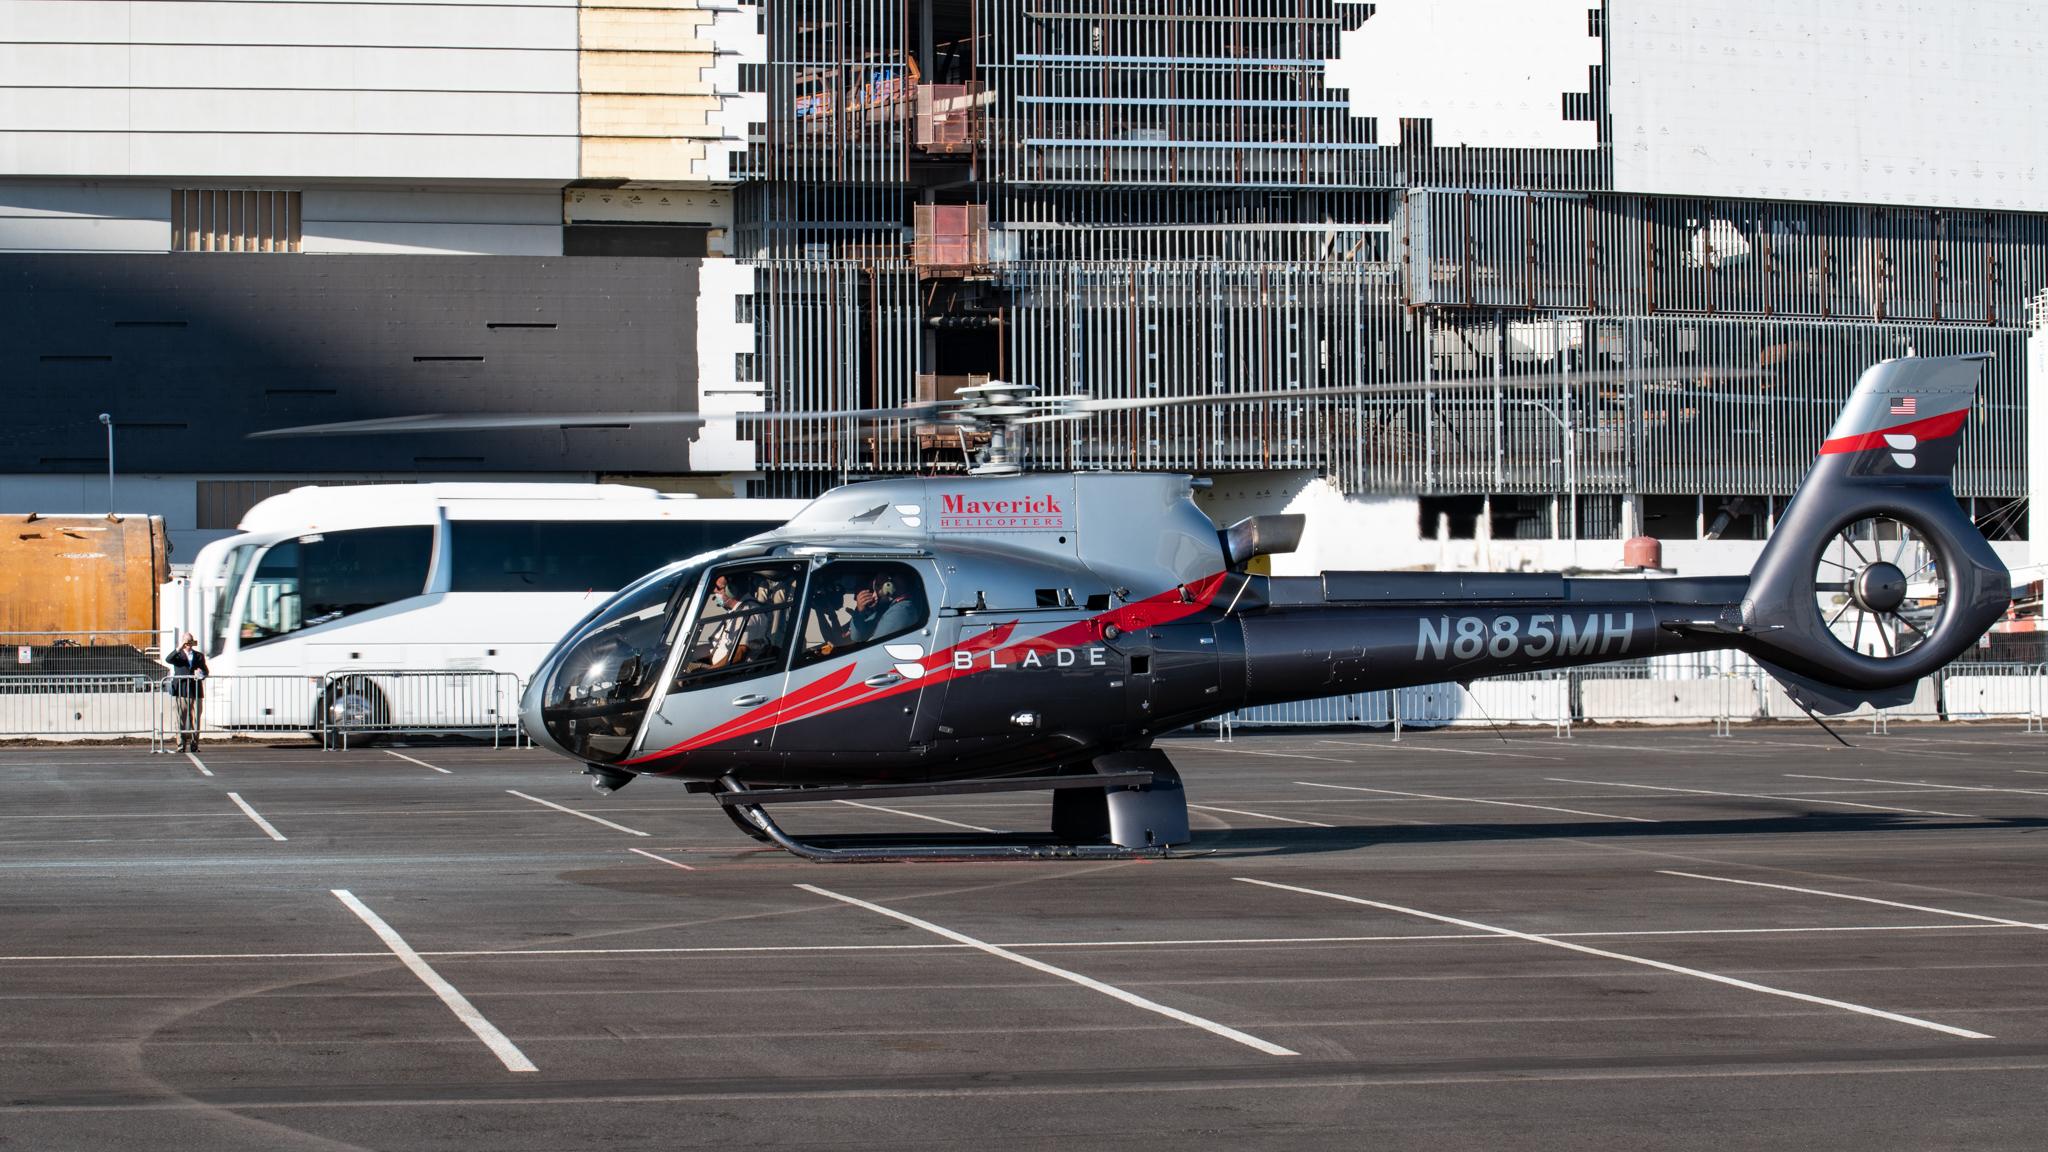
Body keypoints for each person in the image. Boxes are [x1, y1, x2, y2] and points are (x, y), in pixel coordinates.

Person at [163, 633, 209, 752]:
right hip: (181, 690)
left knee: (196, 719)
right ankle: (181, 745)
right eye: (186, 642)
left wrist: (201, 673)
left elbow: (206, 671)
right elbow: (168, 659)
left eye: (190, 641)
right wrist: (179, 647)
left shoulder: (199, 656)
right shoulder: (178, 656)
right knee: (180, 719)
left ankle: (194, 744)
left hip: (196, 691)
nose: (188, 644)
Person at [847, 569, 918, 643]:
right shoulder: (885, 609)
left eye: (877, 586)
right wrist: (859, 612)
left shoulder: (902, 610)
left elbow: (876, 646)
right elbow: (857, 636)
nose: (874, 595)